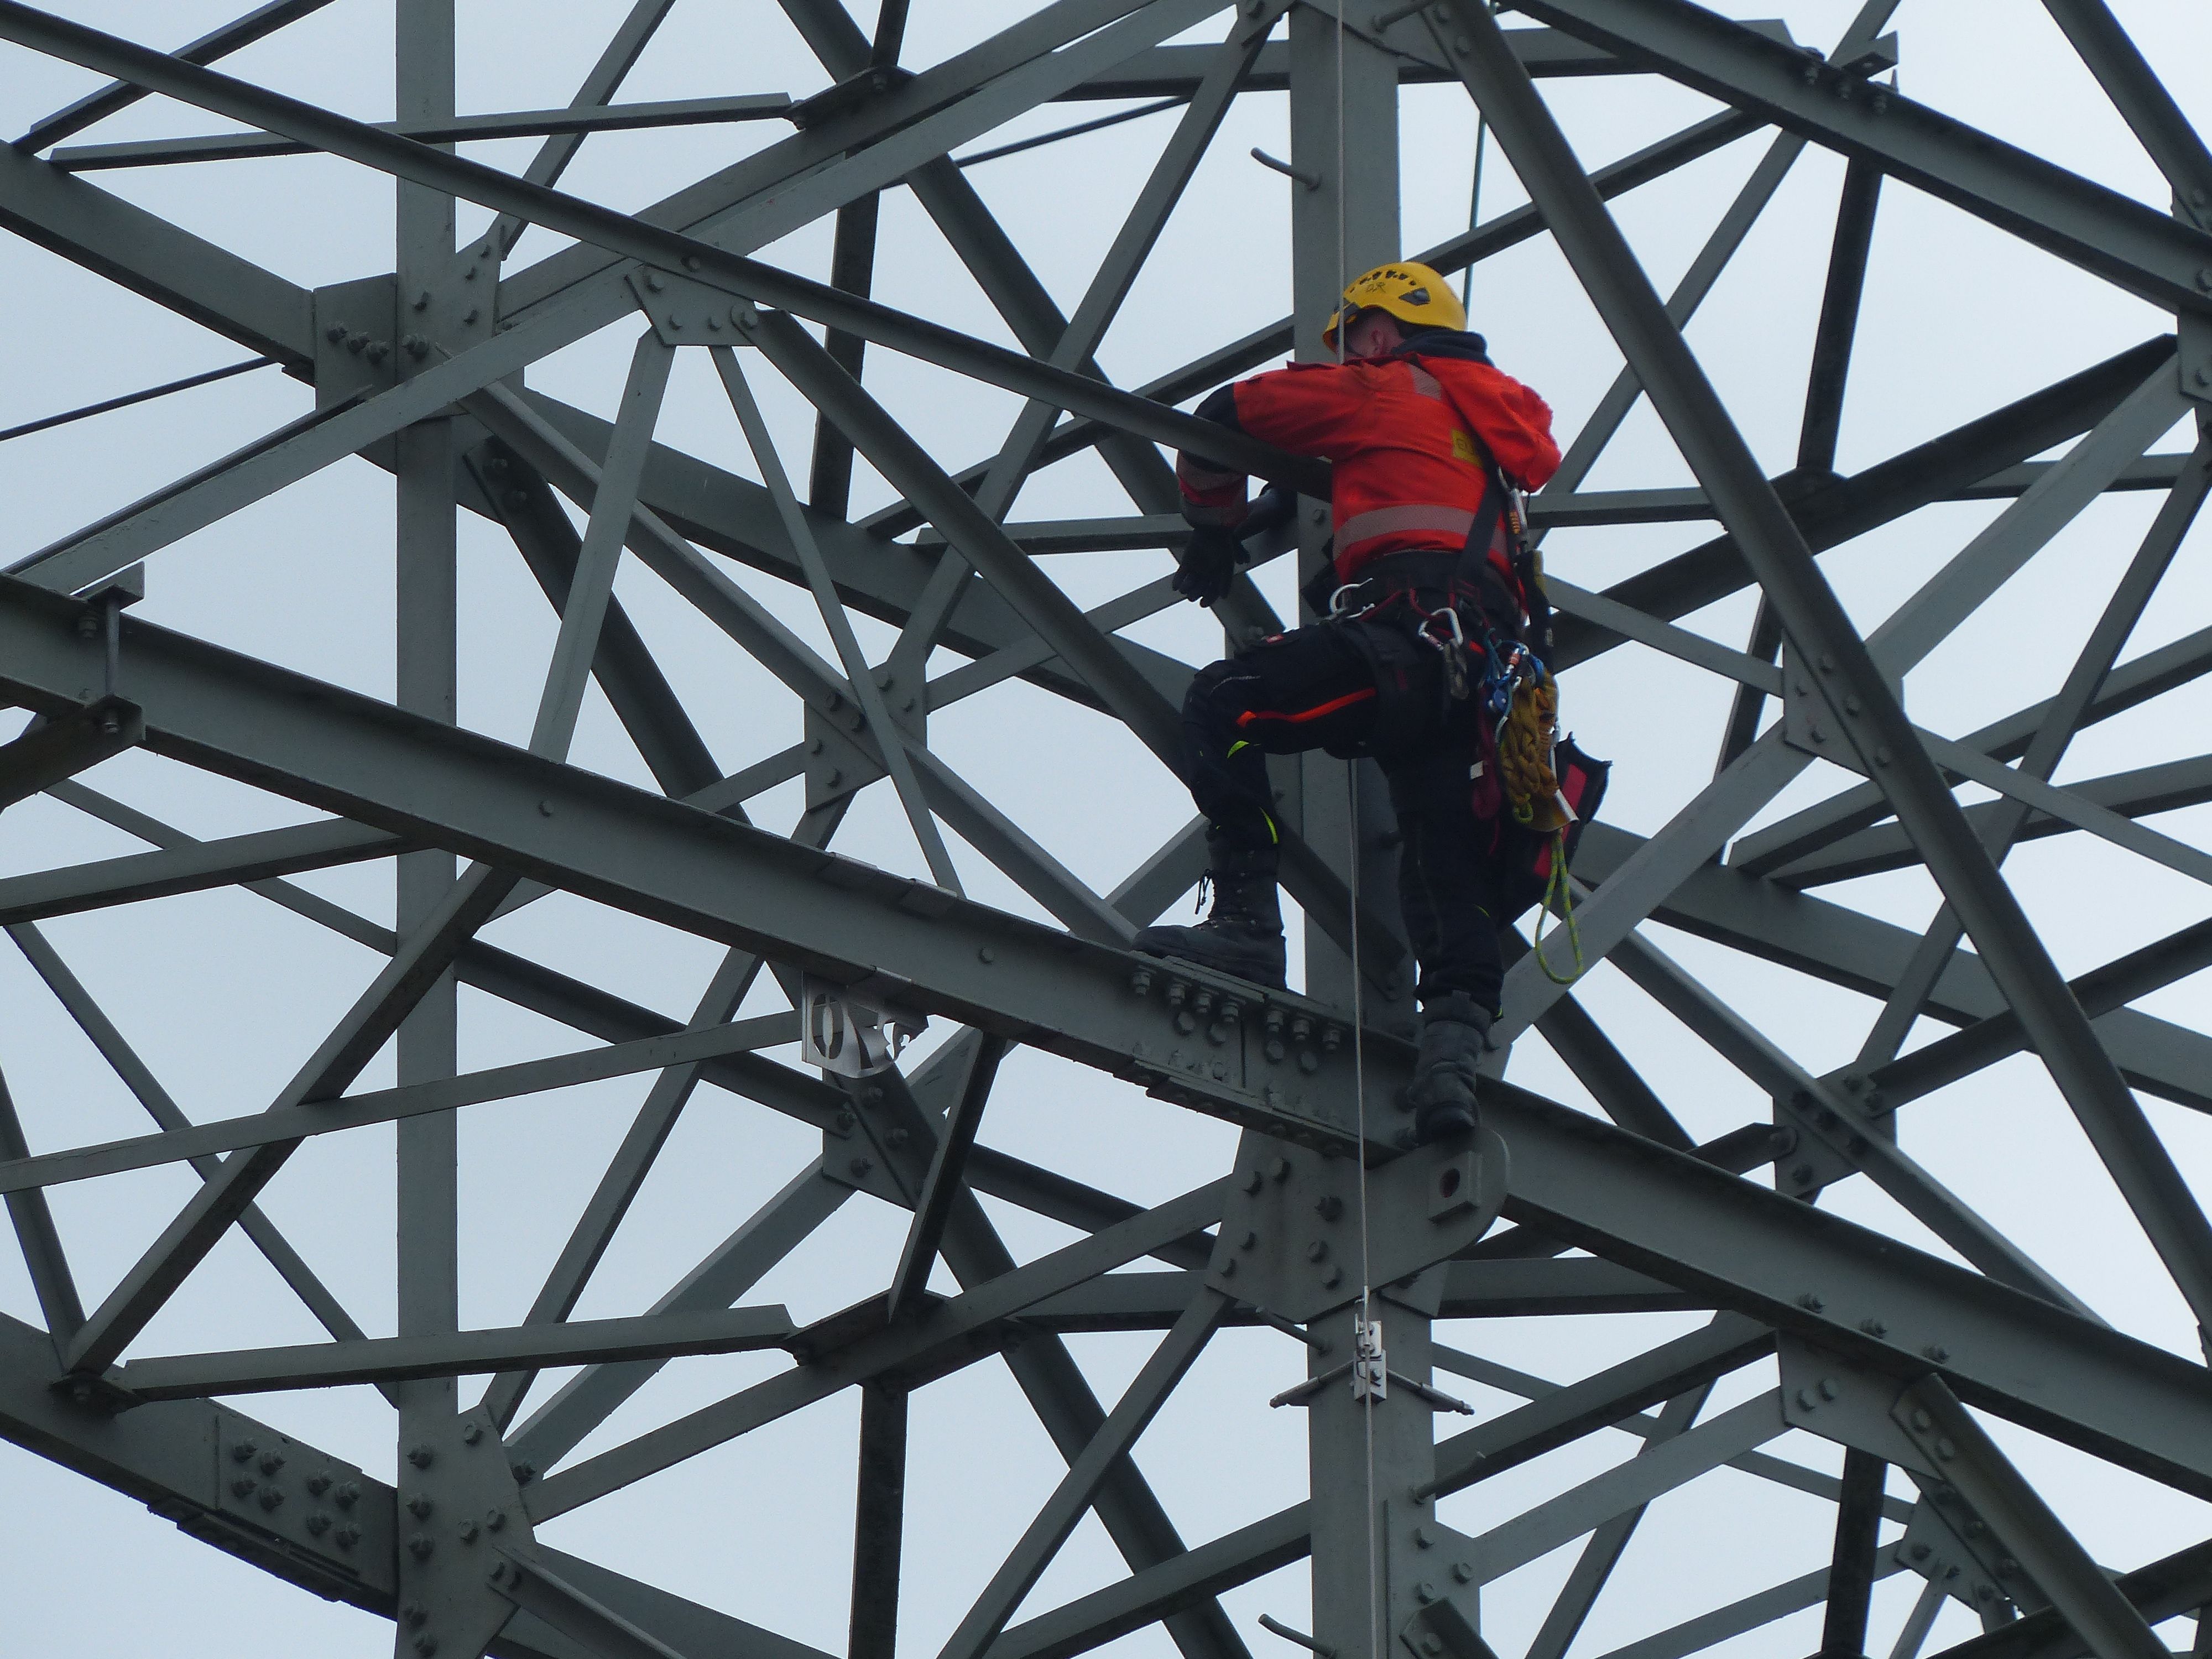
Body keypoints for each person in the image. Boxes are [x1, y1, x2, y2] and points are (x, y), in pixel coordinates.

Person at [1134, 260, 1563, 1144]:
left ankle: (1249, 922)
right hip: (1486, 689)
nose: (1352, 351)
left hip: (1403, 644)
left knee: (1225, 707)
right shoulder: (1493, 436)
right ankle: (1450, 1067)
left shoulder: (1379, 391)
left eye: (1355, 335)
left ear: (1382, 332)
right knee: (1448, 868)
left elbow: (1222, 421)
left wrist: (1214, 530)